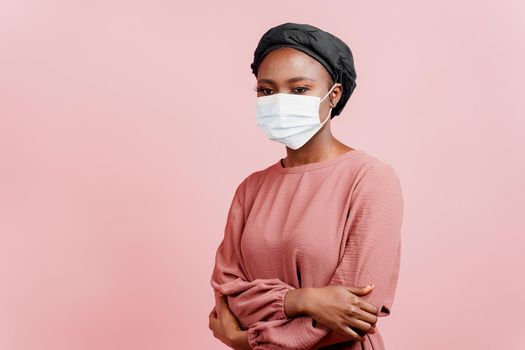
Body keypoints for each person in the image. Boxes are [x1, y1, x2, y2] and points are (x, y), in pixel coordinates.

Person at [208, 22, 404, 350]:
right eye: (267, 90)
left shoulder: (369, 179)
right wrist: (303, 300)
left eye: (299, 89)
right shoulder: (251, 189)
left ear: (334, 95)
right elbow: (228, 296)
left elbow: (354, 316)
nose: (280, 101)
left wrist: (247, 341)